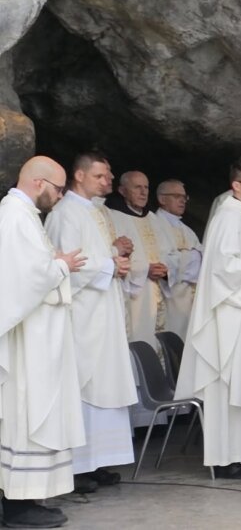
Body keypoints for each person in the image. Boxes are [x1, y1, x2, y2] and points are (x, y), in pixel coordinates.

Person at [176, 157, 241, 479]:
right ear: (236, 186)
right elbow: (222, 269)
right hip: (232, 318)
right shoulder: (227, 216)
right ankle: (227, 459)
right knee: (231, 387)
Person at [44, 152, 138, 494]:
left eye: (109, 175)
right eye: (100, 176)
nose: (107, 181)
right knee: (83, 387)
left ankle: (97, 461)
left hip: (102, 314)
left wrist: (114, 258)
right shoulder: (65, 213)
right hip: (81, 318)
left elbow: (94, 256)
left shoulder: (93, 211)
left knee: (103, 385)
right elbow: (70, 264)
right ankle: (78, 466)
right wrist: (110, 264)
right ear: (79, 176)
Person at [0, 157, 86, 527]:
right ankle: (18, 507)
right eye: (58, 188)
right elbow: (26, 280)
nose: (61, 195)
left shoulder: (25, 216)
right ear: (39, 183)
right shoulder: (15, 216)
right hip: (29, 342)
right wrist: (63, 265)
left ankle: (29, 498)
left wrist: (56, 263)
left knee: (39, 411)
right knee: (28, 413)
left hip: (42, 337)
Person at [107, 170, 177, 353]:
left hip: (158, 292)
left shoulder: (154, 219)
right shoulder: (114, 217)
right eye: (137, 187)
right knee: (138, 339)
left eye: (146, 187)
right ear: (122, 190)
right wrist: (146, 269)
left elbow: (172, 253)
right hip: (136, 295)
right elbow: (112, 255)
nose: (143, 192)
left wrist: (166, 269)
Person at [153, 179, 202, 340]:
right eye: (176, 196)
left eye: (184, 197)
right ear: (162, 199)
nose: (182, 200)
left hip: (190, 298)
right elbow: (163, 261)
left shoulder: (187, 230)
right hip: (169, 298)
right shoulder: (154, 224)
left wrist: (187, 258)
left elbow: (203, 260)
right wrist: (193, 257)